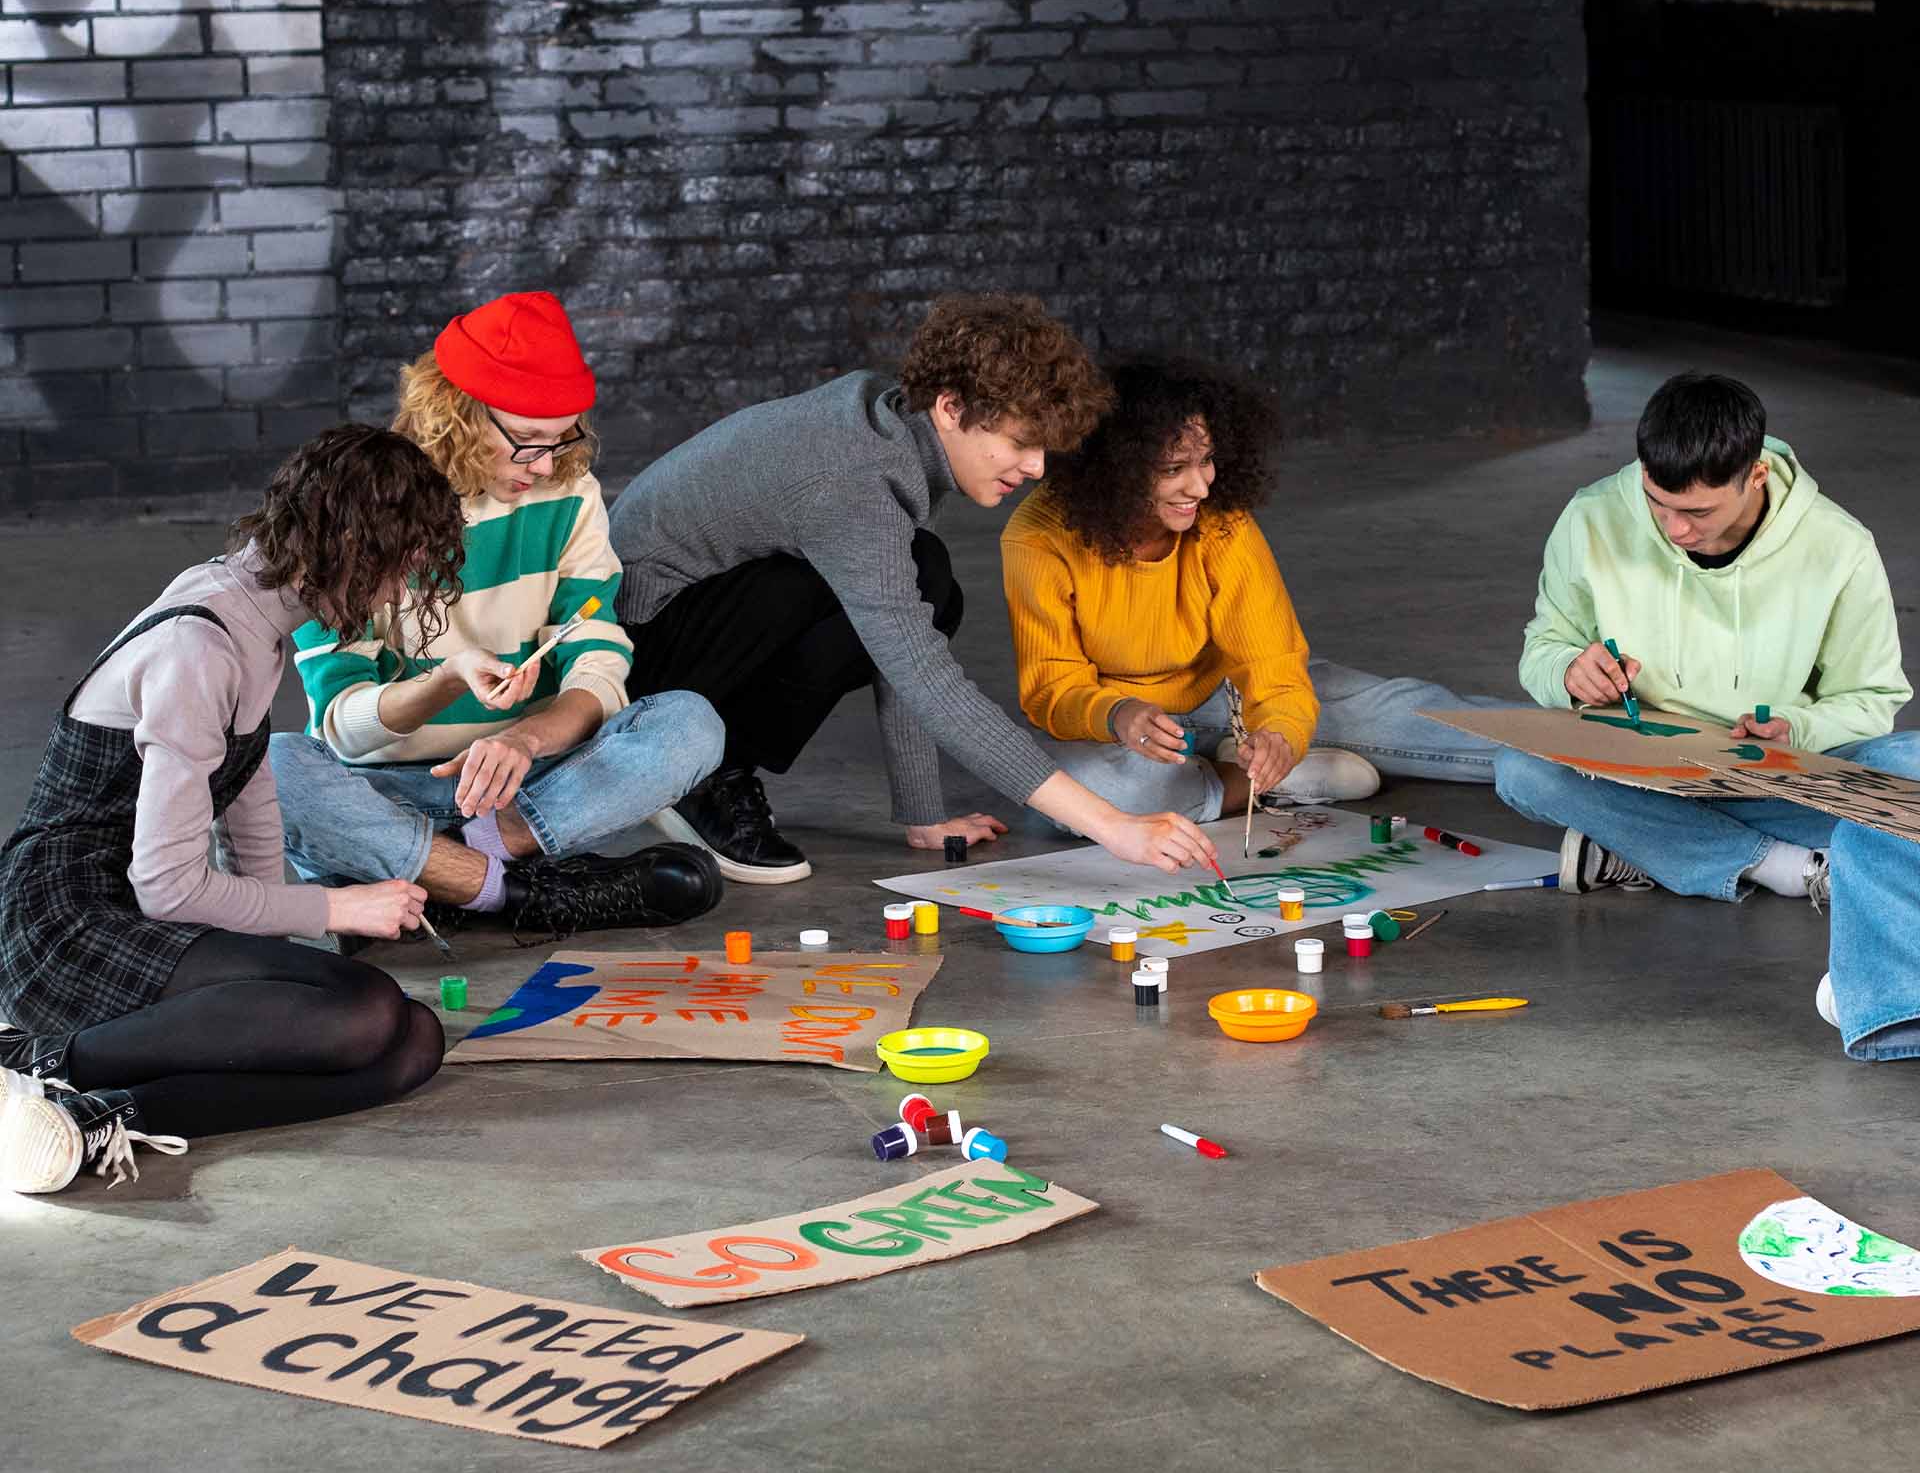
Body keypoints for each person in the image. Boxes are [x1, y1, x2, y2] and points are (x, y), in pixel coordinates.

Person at [608, 292, 1220, 883]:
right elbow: (923, 674)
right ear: (952, 407)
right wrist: (1115, 825)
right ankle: (701, 772)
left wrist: (924, 812)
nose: (1037, 467)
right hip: (632, 653)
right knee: (844, 587)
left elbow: (906, 636)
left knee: (925, 576)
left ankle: (719, 759)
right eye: (1019, 443)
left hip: (694, 622)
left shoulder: (897, 425)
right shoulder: (854, 480)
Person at [0, 426, 464, 1195]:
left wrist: (278, 971)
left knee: (413, 1041)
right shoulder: (202, 646)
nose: (394, 596)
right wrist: (339, 907)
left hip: (136, 910)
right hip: (68, 922)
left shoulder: (258, 621)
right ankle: (39, 1060)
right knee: (366, 1011)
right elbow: (168, 888)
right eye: (397, 570)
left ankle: (96, 1119)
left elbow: (249, 807)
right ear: (352, 544)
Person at [268, 292, 724, 937]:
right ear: (454, 414)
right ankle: (512, 893)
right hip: (382, 789)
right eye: (527, 441)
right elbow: (342, 729)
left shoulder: (570, 494)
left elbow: (597, 663)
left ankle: (446, 873)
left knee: (689, 724)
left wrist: (524, 739)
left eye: (562, 437)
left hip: (525, 789)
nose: (546, 464)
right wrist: (447, 680)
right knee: (274, 765)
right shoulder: (352, 505)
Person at [1493, 371, 1920, 1050]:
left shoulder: (1838, 546)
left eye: (1697, 513)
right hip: (1641, 766)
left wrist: (1797, 727)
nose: (1674, 529)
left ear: (1756, 476)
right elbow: (1544, 645)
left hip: (1780, 772)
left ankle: (1654, 847)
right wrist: (1569, 674)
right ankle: (1782, 866)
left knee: (1910, 762)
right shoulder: (1592, 516)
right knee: (1522, 770)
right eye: (1657, 503)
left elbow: (1874, 698)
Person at [1000, 355, 1506, 826]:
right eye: (1174, 469)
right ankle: (1253, 784)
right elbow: (1051, 689)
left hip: (1226, 697)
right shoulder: (1038, 537)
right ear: (1114, 470)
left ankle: (1560, 749)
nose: (1201, 487)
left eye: (1206, 460)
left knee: (1400, 715)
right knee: (1080, 792)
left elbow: (1272, 662)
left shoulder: (1220, 520)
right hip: (1116, 726)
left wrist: (1280, 732)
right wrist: (1116, 715)